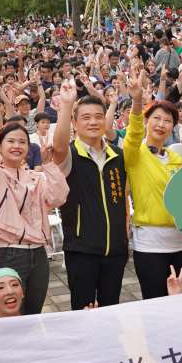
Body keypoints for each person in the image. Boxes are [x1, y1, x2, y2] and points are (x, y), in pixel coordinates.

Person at [0, 92, 68, 314]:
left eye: (22, 142)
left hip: (38, 252)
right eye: (10, 141)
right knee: (9, 315)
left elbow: (58, 197)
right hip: (8, 251)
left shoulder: (35, 177)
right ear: (0, 146)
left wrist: (49, 165)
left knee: (33, 312)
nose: (17, 146)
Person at [52, 80, 129, 309]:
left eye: (98, 116)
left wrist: (123, 235)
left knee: (111, 309)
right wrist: (67, 106)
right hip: (82, 250)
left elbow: (123, 197)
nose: (94, 121)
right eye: (85, 117)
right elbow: (58, 146)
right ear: (74, 123)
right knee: (83, 311)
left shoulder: (117, 154)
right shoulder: (70, 155)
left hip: (115, 250)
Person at [123, 68, 182, 298]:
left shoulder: (176, 158)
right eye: (157, 118)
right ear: (146, 121)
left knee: (177, 301)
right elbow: (132, 135)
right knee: (154, 303)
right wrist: (136, 101)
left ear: (174, 126)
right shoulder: (135, 153)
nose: (162, 124)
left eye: (168, 120)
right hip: (150, 243)